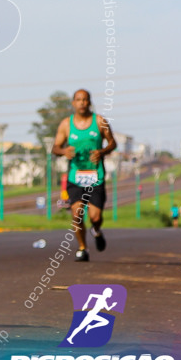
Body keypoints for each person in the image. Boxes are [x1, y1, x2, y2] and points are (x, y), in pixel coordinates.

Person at [52, 89, 117, 262]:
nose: (82, 103)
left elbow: (113, 143)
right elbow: (55, 148)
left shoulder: (100, 121)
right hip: (75, 177)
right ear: (73, 103)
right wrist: (64, 151)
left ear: (89, 102)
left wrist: (102, 152)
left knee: (95, 217)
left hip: (96, 177)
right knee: (77, 214)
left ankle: (96, 230)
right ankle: (82, 248)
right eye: (78, 100)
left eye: (85, 100)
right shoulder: (66, 124)